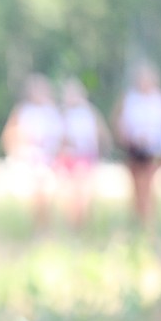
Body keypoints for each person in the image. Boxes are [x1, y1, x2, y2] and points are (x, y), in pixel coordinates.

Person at [0, 73, 63, 229]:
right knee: (36, 196)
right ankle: (38, 227)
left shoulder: (52, 111)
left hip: (49, 158)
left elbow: (61, 136)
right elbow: (9, 135)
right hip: (30, 158)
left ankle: (46, 227)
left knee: (48, 196)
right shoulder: (22, 111)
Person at [111, 61, 161, 227]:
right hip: (134, 148)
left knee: (148, 186)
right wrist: (125, 136)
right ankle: (137, 221)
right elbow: (118, 122)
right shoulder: (129, 99)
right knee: (136, 188)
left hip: (154, 149)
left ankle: (148, 223)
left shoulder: (160, 100)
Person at [55, 77, 111, 229]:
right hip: (68, 157)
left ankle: (84, 226)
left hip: (85, 156)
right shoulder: (60, 113)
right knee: (70, 195)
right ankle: (73, 226)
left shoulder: (90, 112)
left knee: (85, 194)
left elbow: (102, 134)